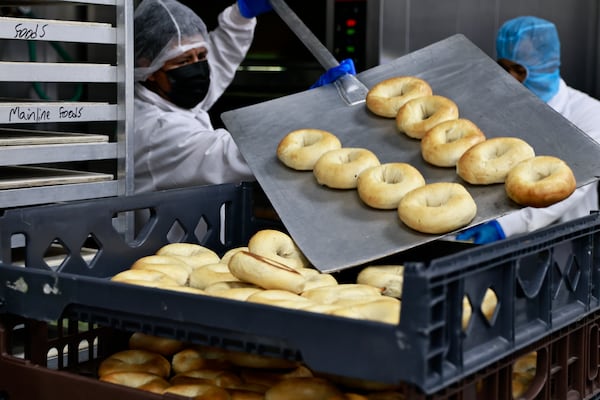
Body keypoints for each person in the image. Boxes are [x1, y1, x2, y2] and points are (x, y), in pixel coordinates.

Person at [133, 0, 355, 194]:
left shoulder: (170, 97)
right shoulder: (155, 133)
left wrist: (240, 16)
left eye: (201, 56)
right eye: (182, 62)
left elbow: (219, 59)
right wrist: (311, 106)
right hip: (169, 242)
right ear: (147, 68)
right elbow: (239, 154)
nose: (196, 68)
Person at [456, 16, 600, 244]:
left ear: (545, 66)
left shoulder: (590, 115)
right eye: (504, 67)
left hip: (568, 250)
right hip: (497, 253)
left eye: (519, 69)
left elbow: (572, 185)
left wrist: (504, 226)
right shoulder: (494, 108)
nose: (510, 78)